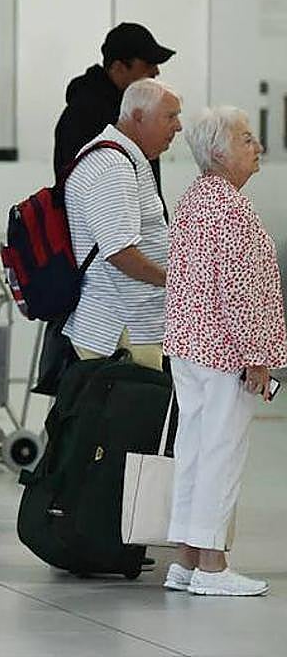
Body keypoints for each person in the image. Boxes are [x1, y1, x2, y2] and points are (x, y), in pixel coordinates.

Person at [161, 106, 284, 598]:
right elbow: (238, 288)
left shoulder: (195, 199)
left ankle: (186, 561)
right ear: (217, 152)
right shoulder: (231, 208)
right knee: (221, 453)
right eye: (247, 139)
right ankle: (213, 566)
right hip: (225, 349)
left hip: (190, 344)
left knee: (194, 449)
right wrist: (257, 353)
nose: (257, 147)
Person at [62, 79, 182, 371]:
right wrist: (177, 282)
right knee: (129, 417)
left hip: (131, 326)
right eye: (170, 116)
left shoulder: (123, 158)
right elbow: (119, 253)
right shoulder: (112, 165)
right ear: (138, 116)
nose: (178, 127)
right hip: (120, 330)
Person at [54, 23, 175, 184]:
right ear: (118, 68)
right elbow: (77, 188)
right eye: (148, 65)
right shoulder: (82, 116)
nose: (156, 72)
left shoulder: (138, 111)